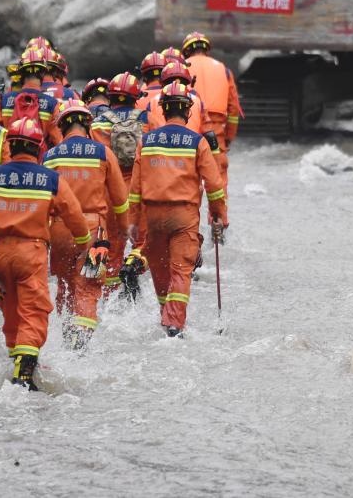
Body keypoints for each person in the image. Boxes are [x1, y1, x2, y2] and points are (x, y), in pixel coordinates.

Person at [0, 118, 90, 390]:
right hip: (32, 252)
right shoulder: (50, 179)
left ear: (11, 146)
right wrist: (84, 243)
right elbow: (73, 215)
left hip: (0, 252)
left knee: (12, 311)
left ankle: (18, 360)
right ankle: (24, 373)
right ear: (38, 146)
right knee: (34, 311)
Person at [128, 81, 228, 337]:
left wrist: (132, 221)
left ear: (162, 109)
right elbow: (214, 184)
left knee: (160, 269)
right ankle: (174, 325)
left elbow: (136, 188)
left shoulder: (147, 141)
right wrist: (219, 215)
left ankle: (165, 316)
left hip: (152, 217)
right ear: (188, 111)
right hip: (183, 216)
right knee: (180, 271)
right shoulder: (197, 142)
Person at [43, 100, 129, 349]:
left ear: (61, 127)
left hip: (59, 231)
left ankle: (67, 335)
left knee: (65, 285)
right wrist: (122, 230)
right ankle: (80, 345)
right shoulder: (103, 153)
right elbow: (120, 200)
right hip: (95, 234)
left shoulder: (50, 156)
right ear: (87, 124)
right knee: (88, 287)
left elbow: (42, 201)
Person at [89, 71, 146, 292]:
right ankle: (133, 272)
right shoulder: (148, 121)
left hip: (110, 193)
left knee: (111, 245)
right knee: (141, 242)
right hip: (138, 191)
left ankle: (110, 296)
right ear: (135, 97)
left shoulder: (96, 125)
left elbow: (96, 160)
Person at [182, 31, 242, 190]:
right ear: (207, 49)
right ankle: (218, 215)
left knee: (186, 182)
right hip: (216, 134)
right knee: (218, 183)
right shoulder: (223, 69)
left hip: (189, 129)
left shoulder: (179, 69)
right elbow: (233, 109)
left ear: (186, 50)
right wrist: (228, 138)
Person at [0, 47, 63, 150]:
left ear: (21, 74)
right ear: (43, 73)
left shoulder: (5, 100)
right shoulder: (52, 104)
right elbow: (58, 140)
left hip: (9, 159)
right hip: (38, 160)